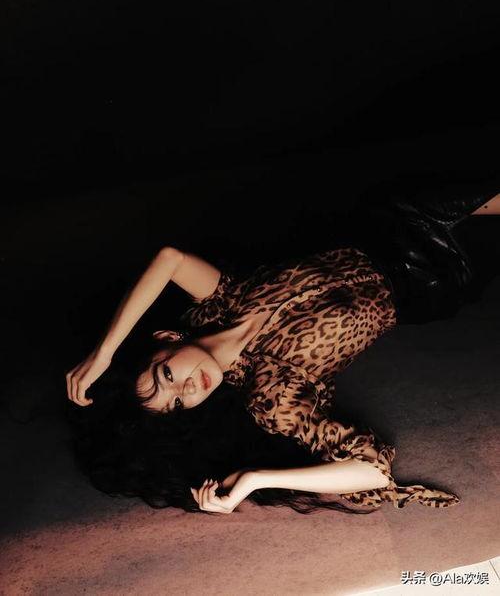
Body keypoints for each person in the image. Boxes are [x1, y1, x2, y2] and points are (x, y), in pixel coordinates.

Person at [65, 171, 500, 515]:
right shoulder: (272, 393)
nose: (187, 388)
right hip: (433, 277)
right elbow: (372, 470)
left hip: (390, 220)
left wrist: (105, 353)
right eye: (178, 404)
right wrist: (257, 479)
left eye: (166, 375)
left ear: (167, 339)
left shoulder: (220, 302)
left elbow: (170, 259)